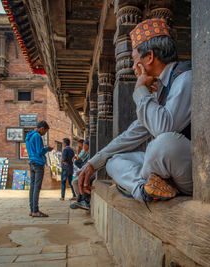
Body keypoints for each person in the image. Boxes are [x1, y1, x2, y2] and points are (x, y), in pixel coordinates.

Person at [79, 18, 193, 203]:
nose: (133, 67)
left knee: (164, 142)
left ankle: (154, 184)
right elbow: (132, 133)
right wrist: (94, 162)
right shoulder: (160, 88)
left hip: (190, 171)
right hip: (168, 172)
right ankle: (145, 189)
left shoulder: (184, 78)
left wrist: (140, 91)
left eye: (134, 60)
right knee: (114, 161)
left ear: (149, 56)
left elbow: (163, 129)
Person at [25, 120, 53, 217]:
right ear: (41, 128)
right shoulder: (37, 136)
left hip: (31, 162)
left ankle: (32, 209)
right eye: (45, 131)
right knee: (37, 187)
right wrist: (47, 149)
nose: (44, 134)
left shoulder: (29, 136)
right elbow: (40, 151)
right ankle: (35, 210)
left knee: (32, 187)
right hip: (38, 163)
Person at [70, 140, 91, 210]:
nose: (82, 147)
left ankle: (82, 201)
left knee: (79, 182)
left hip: (89, 172)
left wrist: (81, 170)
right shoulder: (87, 153)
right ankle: (80, 200)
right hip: (86, 171)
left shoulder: (90, 153)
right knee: (75, 181)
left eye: (83, 145)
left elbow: (88, 164)